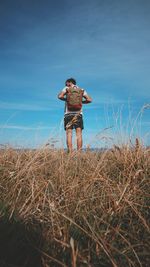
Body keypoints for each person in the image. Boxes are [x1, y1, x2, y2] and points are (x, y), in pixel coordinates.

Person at [58, 78, 92, 152]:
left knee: (69, 133)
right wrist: (81, 102)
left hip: (68, 114)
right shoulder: (81, 90)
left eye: (66, 83)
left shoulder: (66, 88)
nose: (65, 85)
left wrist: (66, 99)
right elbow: (89, 100)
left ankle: (70, 153)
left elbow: (60, 96)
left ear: (69, 82)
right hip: (78, 114)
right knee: (79, 134)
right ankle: (79, 152)